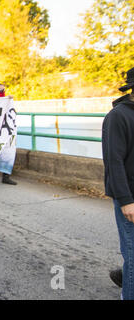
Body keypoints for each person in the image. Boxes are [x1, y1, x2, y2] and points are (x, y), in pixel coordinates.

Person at [102, 66, 134, 300]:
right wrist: (125, 200)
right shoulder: (118, 116)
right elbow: (114, 161)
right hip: (130, 197)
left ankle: (123, 275)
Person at [0, 83, 17, 186]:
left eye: (3, 89)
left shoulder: (9, 102)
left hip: (5, 131)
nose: (1, 91)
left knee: (8, 151)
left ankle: (6, 176)